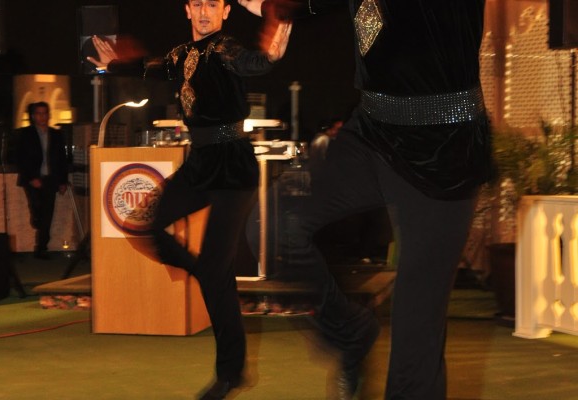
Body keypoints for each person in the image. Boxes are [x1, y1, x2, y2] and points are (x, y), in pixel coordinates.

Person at [238, 0, 492, 399]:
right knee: (273, 225)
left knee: (415, 335)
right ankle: (351, 332)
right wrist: (275, 6)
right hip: (372, 134)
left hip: (443, 151)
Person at [88, 1, 291, 399]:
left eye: (212, 4)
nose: (204, 11)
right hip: (200, 165)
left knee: (216, 272)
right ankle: (204, 272)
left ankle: (230, 373)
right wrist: (113, 65)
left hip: (233, 168)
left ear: (225, 11)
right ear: (187, 9)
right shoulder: (181, 54)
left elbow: (251, 62)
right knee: (144, 223)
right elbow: (151, 67)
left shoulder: (224, 47)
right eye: (197, 3)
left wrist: (271, 53)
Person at [16, 102, 69, 260]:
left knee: (48, 214)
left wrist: (63, 181)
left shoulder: (56, 134)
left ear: (48, 115)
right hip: (33, 179)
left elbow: (62, 159)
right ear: (33, 116)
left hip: (50, 178)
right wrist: (32, 178)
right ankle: (37, 221)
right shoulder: (26, 134)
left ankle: (41, 248)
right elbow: (21, 158)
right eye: (39, 113)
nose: (42, 116)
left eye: (45, 113)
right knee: (37, 209)